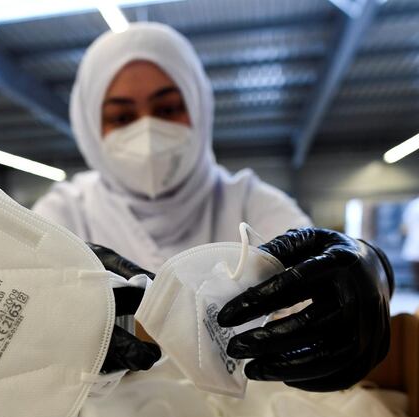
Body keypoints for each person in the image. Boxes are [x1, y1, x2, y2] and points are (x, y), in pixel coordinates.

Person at [33, 23, 393, 392]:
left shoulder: (247, 199)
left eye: (168, 108)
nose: (147, 132)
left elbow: (318, 262)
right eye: (122, 117)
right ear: (92, 128)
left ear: (199, 108)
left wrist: (373, 271)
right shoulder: (65, 213)